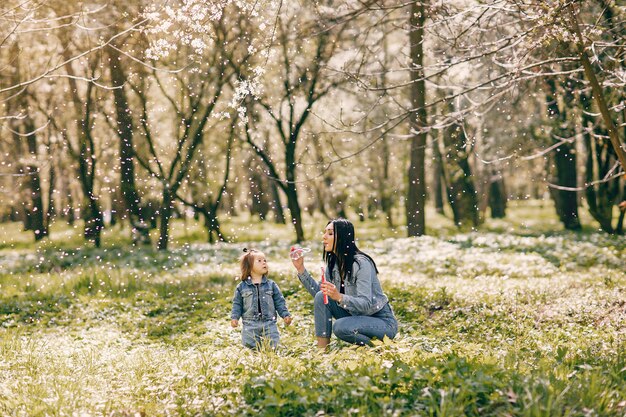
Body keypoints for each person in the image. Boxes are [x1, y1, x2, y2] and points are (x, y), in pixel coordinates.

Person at [291, 218, 398, 348]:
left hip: (381, 322)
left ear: (342, 237)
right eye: (325, 233)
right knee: (320, 296)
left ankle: (382, 347)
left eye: (330, 233)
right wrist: (301, 269)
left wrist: (339, 297)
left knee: (340, 327)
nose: (324, 237)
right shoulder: (333, 264)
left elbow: (366, 304)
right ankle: (321, 353)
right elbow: (322, 297)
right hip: (356, 317)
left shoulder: (361, 264)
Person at [231, 248, 292, 349]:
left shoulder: (271, 285)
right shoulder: (242, 287)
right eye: (259, 261)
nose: (264, 263)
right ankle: (253, 360)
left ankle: (271, 358)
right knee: (250, 347)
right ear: (249, 266)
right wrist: (235, 317)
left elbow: (279, 302)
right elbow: (237, 304)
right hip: (250, 324)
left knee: (273, 346)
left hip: (269, 322)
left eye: (265, 260)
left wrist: (285, 314)